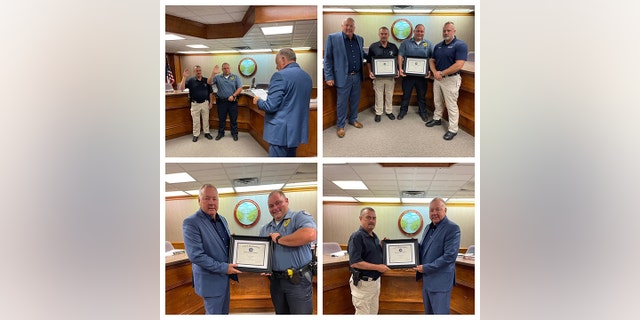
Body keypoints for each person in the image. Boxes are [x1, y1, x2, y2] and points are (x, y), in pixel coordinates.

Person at [182, 184, 242, 314]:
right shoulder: (191, 222)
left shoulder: (223, 220)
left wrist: (234, 243)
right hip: (210, 282)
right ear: (199, 200)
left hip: (224, 279)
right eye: (206, 198)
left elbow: (222, 246)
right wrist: (225, 268)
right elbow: (196, 256)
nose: (211, 203)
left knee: (224, 313)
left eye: (214, 199)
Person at [260, 190, 317, 314]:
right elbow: (262, 254)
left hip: (298, 280)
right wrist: (263, 266)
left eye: (278, 203)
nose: (275, 208)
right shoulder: (265, 229)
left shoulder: (299, 217)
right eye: (271, 206)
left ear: (286, 201)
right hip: (275, 282)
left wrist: (279, 239)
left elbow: (310, 234)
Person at [253, 48, 312, 157]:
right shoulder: (307, 77)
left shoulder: (280, 76)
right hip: (296, 130)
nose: (277, 67)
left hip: (280, 132)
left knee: (276, 166)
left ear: (283, 59)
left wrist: (259, 101)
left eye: (277, 63)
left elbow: (270, 106)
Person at [414, 197, 461, 314]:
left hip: (440, 282)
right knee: (429, 314)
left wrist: (426, 268)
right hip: (427, 281)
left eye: (438, 209)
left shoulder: (452, 228)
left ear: (445, 210)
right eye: (431, 210)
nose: (434, 213)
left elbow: (449, 256)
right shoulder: (427, 228)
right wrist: (410, 247)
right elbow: (423, 249)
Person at [426, 21, 469, 141]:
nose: (446, 32)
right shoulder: (438, 45)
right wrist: (435, 72)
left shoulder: (460, 45)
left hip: (451, 79)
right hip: (437, 78)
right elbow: (431, 60)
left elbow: (459, 64)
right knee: (437, 101)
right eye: (444, 30)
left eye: (448, 30)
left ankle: (453, 129)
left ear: (454, 31)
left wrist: (442, 73)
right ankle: (437, 119)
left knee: (451, 105)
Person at [324, 17, 366, 138]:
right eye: (346, 25)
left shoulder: (360, 39)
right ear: (342, 26)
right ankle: (340, 126)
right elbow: (328, 59)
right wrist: (329, 76)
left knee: (355, 100)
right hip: (343, 77)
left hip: (357, 76)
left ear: (354, 27)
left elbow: (362, 54)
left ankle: (353, 119)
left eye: (351, 26)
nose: (349, 28)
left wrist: (377, 57)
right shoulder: (333, 38)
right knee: (342, 103)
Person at [347, 207, 390, 314]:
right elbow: (355, 262)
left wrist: (382, 246)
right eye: (368, 217)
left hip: (375, 283)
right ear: (360, 219)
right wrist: (378, 268)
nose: (372, 220)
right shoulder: (357, 236)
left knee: (373, 313)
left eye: (374, 218)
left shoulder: (373, 236)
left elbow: (371, 255)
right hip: (363, 284)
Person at [397, 24, 434, 122]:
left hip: (422, 76)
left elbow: (432, 59)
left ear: (424, 32)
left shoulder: (429, 44)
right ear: (414, 31)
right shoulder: (405, 43)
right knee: (406, 94)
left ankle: (423, 112)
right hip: (408, 75)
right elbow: (400, 56)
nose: (419, 33)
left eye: (421, 31)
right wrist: (400, 69)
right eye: (418, 31)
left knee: (421, 95)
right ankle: (403, 111)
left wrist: (430, 70)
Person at [367, 26, 399, 122]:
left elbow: (397, 60)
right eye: (382, 34)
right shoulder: (373, 46)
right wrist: (369, 71)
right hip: (378, 77)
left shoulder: (393, 47)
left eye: (385, 34)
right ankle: (379, 112)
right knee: (378, 95)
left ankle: (389, 111)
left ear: (388, 35)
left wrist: (397, 70)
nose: (383, 36)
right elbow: (369, 61)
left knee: (389, 94)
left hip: (390, 77)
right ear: (379, 34)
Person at [179, 65, 214, 142]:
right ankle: (196, 135)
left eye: (199, 70)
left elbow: (210, 93)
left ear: (201, 71)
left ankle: (206, 133)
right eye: (197, 71)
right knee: (196, 121)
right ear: (194, 72)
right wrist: (184, 77)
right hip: (195, 104)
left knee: (206, 119)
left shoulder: (206, 80)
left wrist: (211, 102)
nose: (198, 72)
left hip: (205, 103)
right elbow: (181, 89)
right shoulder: (191, 81)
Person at [210, 62, 243, 141]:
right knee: (221, 119)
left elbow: (240, 88)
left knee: (233, 119)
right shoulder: (218, 77)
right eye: (224, 68)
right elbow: (209, 82)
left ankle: (234, 133)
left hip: (232, 102)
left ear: (230, 68)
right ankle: (221, 133)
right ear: (222, 69)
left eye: (227, 68)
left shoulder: (235, 77)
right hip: (222, 102)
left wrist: (234, 95)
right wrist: (213, 73)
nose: (226, 70)